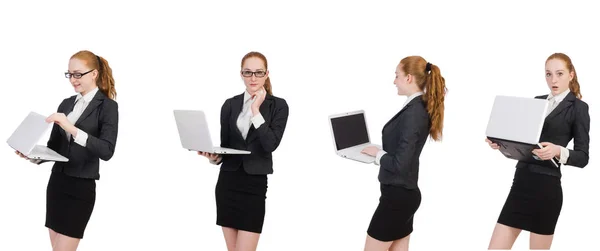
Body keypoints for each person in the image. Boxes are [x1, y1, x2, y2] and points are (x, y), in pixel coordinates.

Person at [15, 50, 119, 251]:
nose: (73, 79)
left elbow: (106, 150)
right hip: (57, 183)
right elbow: (55, 147)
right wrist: (34, 155)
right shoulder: (66, 103)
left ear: (94, 74)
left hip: (80, 187)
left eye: (78, 74)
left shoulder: (107, 106)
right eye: (70, 74)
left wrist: (71, 128)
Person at [486, 52, 590, 250]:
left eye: (559, 74)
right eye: (548, 74)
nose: (553, 80)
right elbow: (525, 141)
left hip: (546, 188)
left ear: (571, 75)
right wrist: (501, 143)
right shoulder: (537, 101)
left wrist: (558, 151)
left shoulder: (579, 108)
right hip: (521, 183)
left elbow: (583, 157)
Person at [199, 51, 289, 251]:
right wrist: (214, 158)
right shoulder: (229, 105)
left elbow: (270, 144)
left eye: (258, 72)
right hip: (227, 183)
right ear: (241, 74)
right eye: (248, 73)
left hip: (253, 185)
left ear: (267, 74)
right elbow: (226, 147)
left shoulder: (279, 106)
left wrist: (256, 110)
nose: (253, 78)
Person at [361, 56, 447, 251]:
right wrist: (379, 152)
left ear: (409, 78)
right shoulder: (417, 107)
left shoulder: (414, 112)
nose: (394, 81)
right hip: (403, 196)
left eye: (396, 76)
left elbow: (401, 164)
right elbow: (403, 151)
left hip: (397, 198)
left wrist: (379, 154)